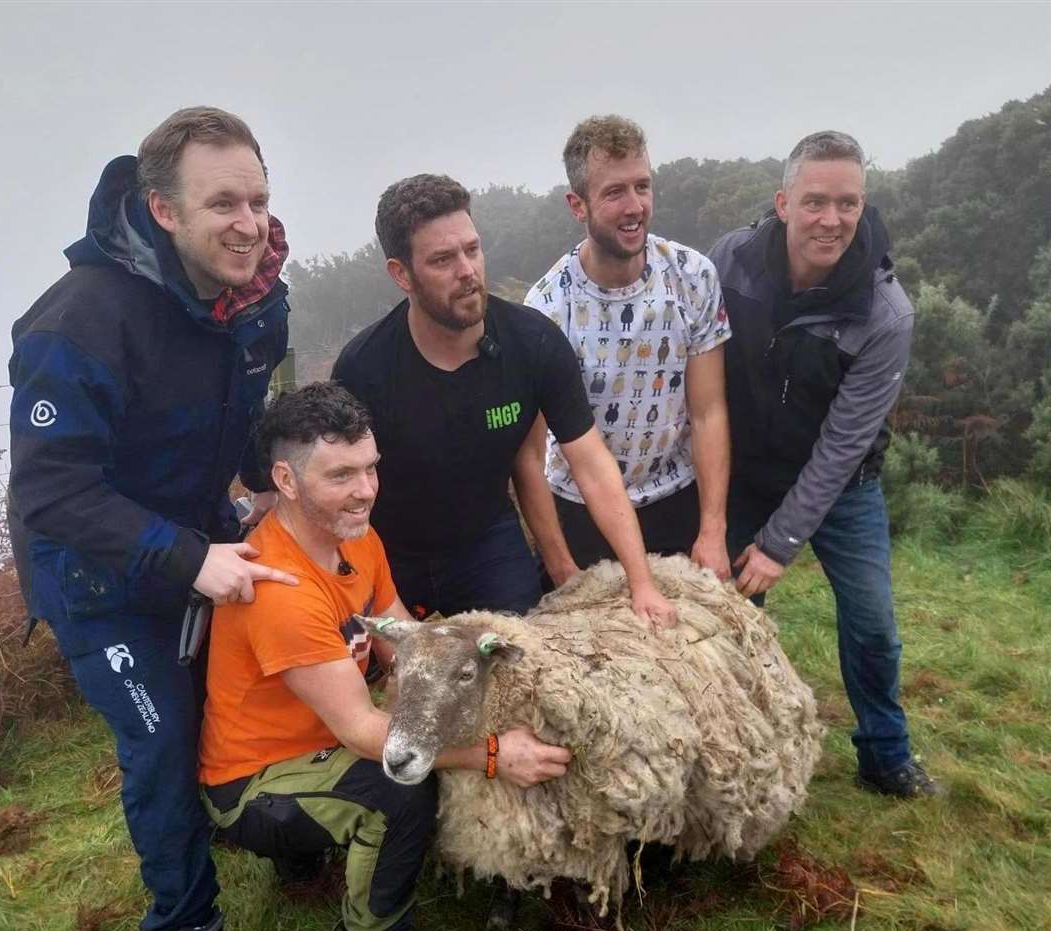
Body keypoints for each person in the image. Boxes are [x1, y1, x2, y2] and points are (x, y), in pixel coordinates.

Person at [6, 106, 298, 931]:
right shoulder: (77, 321)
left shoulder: (257, 299)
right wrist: (187, 560)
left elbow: (239, 430)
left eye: (258, 199)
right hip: (97, 578)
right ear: (162, 210)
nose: (249, 223)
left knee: (281, 674)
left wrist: (292, 487)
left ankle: (289, 830)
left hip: (203, 535)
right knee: (163, 740)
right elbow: (52, 494)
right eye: (223, 204)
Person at [198, 381, 571, 931]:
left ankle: (311, 859)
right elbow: (366, 732)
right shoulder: (281, 589)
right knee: (399, 788)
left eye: (370, 467)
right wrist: (490, 753)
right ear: (285, 480)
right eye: (341, 474)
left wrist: (480, 677)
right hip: (252, 779)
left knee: (420, 744)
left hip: (315, 737)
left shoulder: (355, 539)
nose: (367, 489)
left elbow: (407, 642)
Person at [333, 173, 675, 629]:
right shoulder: (364, 368)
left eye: (472, 250)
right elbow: (332, 491)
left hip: (486, 542)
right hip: (389, 547)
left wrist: (641, 581)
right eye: (442, 260)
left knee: (521, 670)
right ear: (402, 274)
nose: (467, 271)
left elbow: (590, 462)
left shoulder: (532, 343)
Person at [708, 130, 940, 799]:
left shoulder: (885, 311)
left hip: (845, 485)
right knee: (725, 609)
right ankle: (730, 746)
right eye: (815, 202)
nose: (831, 220)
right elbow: (696, 366)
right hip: (747, 469)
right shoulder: (731, 261)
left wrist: (781, 541)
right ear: (783, 203)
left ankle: (885, 755)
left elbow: (843, 444)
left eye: (848, 204)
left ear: (863, 207)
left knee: (873, 625)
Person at [523, 115, 733, 586]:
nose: (635, 206)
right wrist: (558, 563)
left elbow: (708, 412)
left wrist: (713, 529)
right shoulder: (546, 310)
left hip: (675, 498)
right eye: (615, 192)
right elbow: (531, 454)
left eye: (643, 186)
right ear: (578, 204)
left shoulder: (692, 276)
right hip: (582, 511)